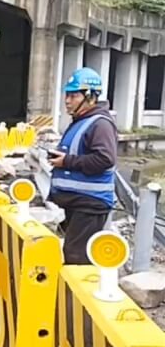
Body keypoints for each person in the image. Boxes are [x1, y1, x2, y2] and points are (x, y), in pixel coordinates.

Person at [48, 67, 118, 264]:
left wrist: (67, 161)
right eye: (67, 95)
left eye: (73, 96)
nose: (67, 101)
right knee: (72, 253)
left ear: (90, 97)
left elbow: (105, 159)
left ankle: (72, 295)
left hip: (90, 204)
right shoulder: (82, 121)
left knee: (77, 258)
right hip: (79, 203)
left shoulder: (100, 124)